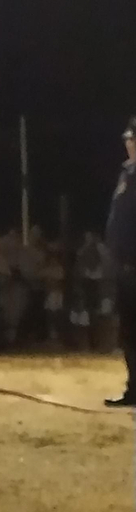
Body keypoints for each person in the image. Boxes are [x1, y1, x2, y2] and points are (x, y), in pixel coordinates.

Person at [104, 118, 136, 407]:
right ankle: (134, 388)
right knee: (128, 331)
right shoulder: (128, 172)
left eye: (132, 138)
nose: (128, 142)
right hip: (125, 267)